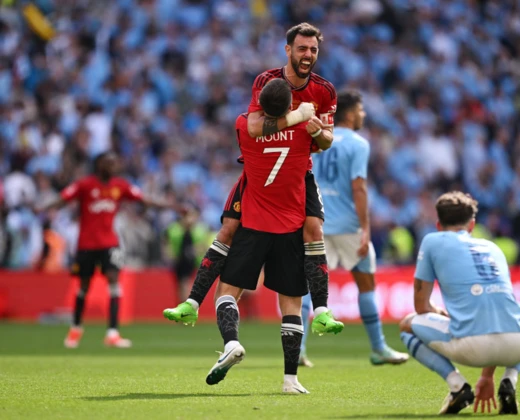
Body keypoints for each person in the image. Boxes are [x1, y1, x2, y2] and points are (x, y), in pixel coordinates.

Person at [163, 22, 343, 335]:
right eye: (302, 48)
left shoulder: (324, 91)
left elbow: (327, 140)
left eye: (313, 49)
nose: (308, 54)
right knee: (229, 228)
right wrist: (297, 117)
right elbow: (255, 126)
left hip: (299, 172)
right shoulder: (267, 81)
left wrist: (319, 133)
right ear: (288, 50)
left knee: (313, 229)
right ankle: (191, 303)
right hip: (260, 173)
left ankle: (322, 311)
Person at [206, 79, 319, 393]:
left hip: (254, 224)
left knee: (226, 293)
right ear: (289, 107)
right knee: (292, 306)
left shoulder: (243, 126)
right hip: (290, 227)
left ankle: (231, 343)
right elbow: (321, 143)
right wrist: (303, 118)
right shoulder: (303, 129)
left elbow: (257, 127)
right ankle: (290, 380)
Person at [398, 191, 520, 415]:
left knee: (407, 325)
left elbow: (421, 307)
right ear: (472, 225)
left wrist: (440, 313)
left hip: (471, 346)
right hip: (516, 345)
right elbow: (498, 308)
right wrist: (487, 376)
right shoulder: (494, 248)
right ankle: (509, 381)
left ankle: (457, 386)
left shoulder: (432, 241)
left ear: (438, 224)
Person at [299, 90, 408, 367]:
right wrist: (366, 228)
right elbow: (358, 186)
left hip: (315, 221)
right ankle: (378, 348)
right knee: (366, 284)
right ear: (349, 114)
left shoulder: (316, 138)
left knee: (303, 288)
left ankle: (297, 350)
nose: (364, 115)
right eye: (360, 110)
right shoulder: (358, 144)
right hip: (348, 225)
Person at [39, 151, 177, 348]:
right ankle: (76, 329)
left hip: (110, 243)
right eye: (109, 163)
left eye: (115, 163)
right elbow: (63, 199)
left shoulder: (120, 185)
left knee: (114, 282)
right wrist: (42, 207)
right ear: (99, 165)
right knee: (83, 287)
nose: (113, 166)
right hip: (86, 244)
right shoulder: (85, 184)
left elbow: (144, 200)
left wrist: (172, 206)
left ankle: (112, 333)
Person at [164, 204, 214, 303]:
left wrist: (196, 250)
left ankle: (185, 308)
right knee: (181, 285)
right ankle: (183, 308)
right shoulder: (174, 229)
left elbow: (206, 245)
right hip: (179, 261)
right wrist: (169, 254)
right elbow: (167, 242)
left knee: (185, 284)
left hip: (195, 262)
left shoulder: (201, 229)